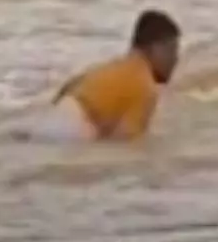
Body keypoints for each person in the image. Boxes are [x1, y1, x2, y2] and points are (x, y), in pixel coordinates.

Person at [38, 9, 182, 142]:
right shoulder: (145, 85)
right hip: (76, 130)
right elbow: (125, 141)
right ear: (155, 49)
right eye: (172, 50)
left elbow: (69, 86)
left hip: (51, 118)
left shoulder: (113, 67)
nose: (175, 59)